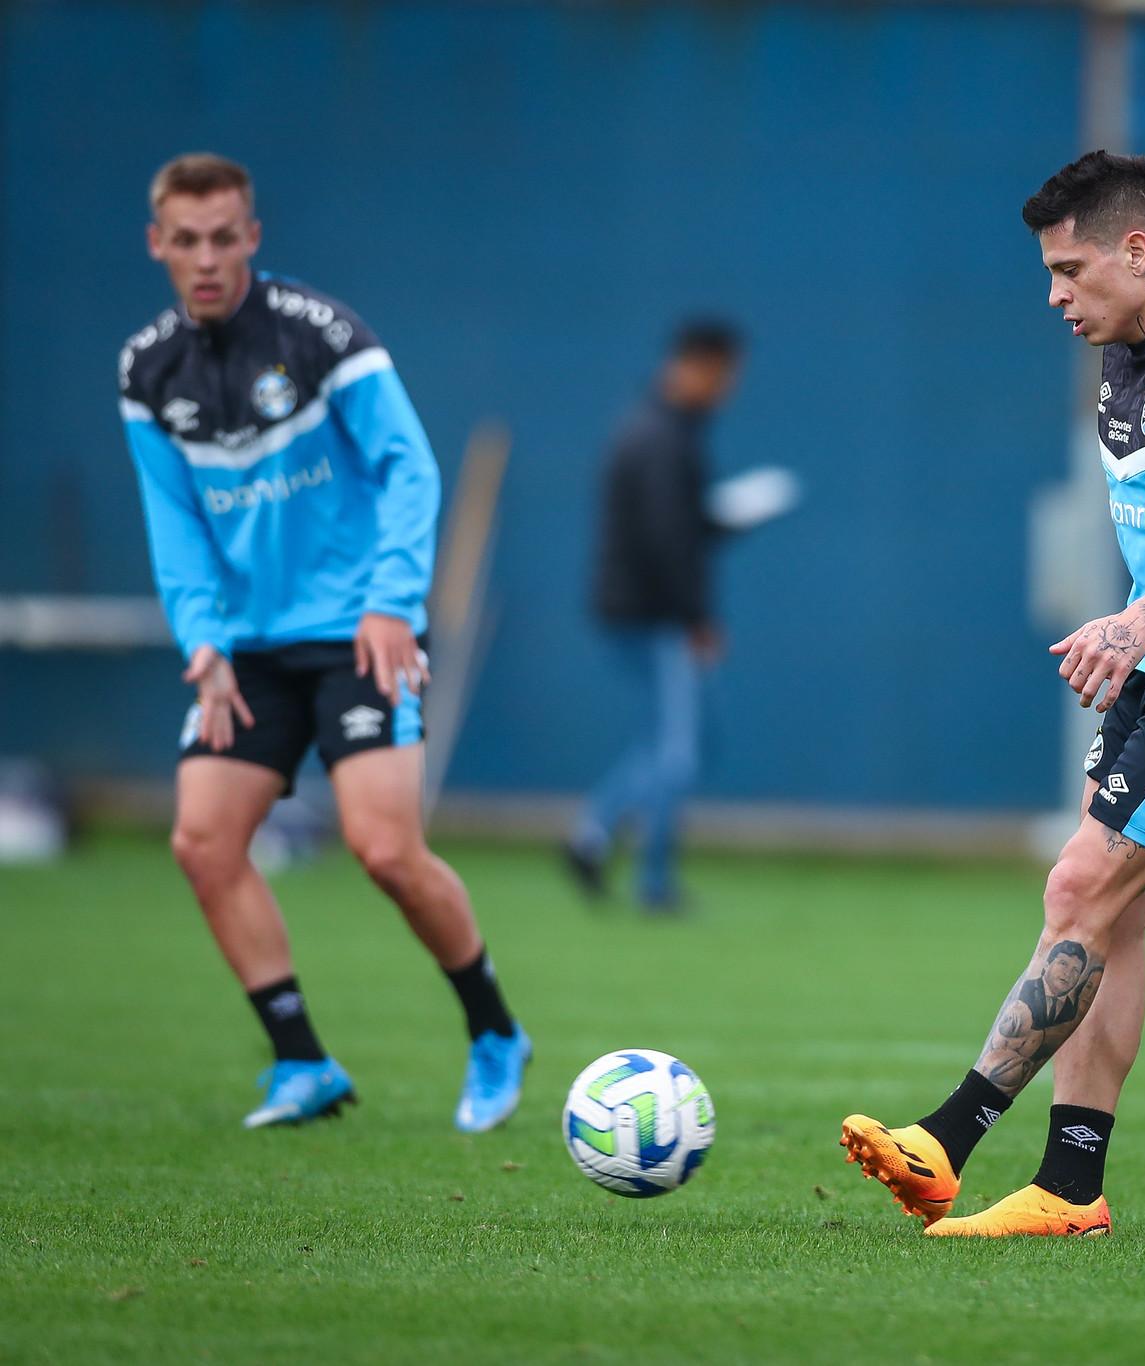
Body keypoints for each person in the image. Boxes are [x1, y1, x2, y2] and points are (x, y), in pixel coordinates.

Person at [839, 151, 1145, 1237]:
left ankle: (948, 1138)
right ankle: (1069, 1191)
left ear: (1139, 250)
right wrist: (1140, 634)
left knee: (1078, 891)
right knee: (1113, 919)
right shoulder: (1123, 344)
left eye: (1070, 269)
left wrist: (1139, 617)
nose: (1054, 294)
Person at [119, 153, 530, 1131]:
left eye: (226, 237)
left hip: (358, 630)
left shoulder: (321, 335)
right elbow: (173, 519)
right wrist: (203, 640)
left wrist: (393, 601)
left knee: (384, 849)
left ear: (252, 237)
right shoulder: (147, 368)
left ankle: (493, 1030)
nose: (208, 258)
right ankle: (301, 1062)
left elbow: (410, 467)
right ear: (159, 246)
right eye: (188, 240)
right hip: (249, 648)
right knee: (202, 842)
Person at [562, 321, 742, 912]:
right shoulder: (662, 437)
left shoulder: (655, 428)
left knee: (675, 742)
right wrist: (696, 617)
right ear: (700, 366)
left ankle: (594, 832)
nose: (727, 388)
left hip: (636, 610)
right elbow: (666, 541)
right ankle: (649, 878)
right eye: (724, 375)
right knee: (678, 752)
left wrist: (718, 522)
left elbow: (676, 527)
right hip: (654, 615)